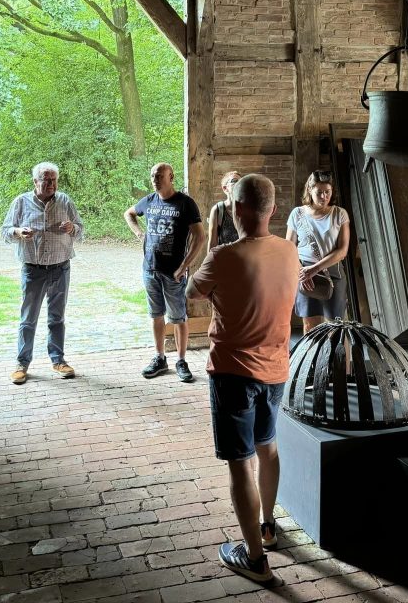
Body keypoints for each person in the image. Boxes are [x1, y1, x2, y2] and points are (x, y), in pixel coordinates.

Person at [187, 174, 299, 583]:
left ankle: (255, 559)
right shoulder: (289, 251)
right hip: (276, 371)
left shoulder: (223, 256)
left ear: (236, 210)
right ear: (272, 210)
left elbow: (192, 295)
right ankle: (267, 526)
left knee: (240, 464)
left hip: (233, 373)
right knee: (267, 448)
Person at [0, 162, 84, 385]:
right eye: (46, 180)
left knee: (57, 317)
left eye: (54, 180)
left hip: (60, 267)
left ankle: (58, 360)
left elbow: (80, 229)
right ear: (35, 182)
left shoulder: (65, 201)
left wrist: (72, 229)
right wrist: (18, 232)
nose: (51, 184)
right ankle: (22, 363)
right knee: (28, 319)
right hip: (33, 269)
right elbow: (5, 232)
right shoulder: (21, 202)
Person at [124, 163, 205, 382]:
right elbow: (129, 214)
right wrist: (140, 234)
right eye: (152, 175)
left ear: (171, 176)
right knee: (155, 314)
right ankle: (159, 358)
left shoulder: (185, 203)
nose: (155, 179)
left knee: (178, 317)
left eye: (159, 175)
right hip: (150, 269)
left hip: (174, 272)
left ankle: (181, 360)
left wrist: (184, 266)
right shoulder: (149, 201)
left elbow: (200, 237)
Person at [285, 171, 350, 333]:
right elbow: (289, 248)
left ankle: (337, 359)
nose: (324, 196)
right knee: (310, 325)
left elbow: (342, 251)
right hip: (303, 271)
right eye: (319, 192)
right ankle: (312, 359)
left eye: (327, 192)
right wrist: (302, 271)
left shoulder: (339, 214)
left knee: (336, 326)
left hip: (332, 272)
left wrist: (314, 270)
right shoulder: (297, 214)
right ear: (310, 190)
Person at [207, 171, 242, 251]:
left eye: (241, 181)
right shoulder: (218, 210)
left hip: (244, 260)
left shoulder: (248, 209)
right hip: (223, 260)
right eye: (234, 181)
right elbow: (212, 242)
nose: (239, 184)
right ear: (225, 188)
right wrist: (210, 263)